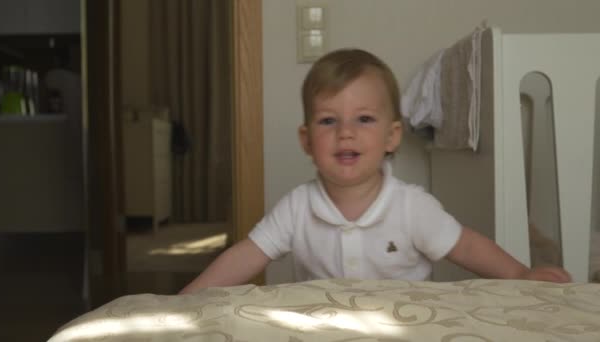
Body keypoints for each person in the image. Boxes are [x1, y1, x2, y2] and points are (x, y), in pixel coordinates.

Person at [179, 48, 570, 294]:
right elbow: (248, 255)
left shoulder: (411, 206)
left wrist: (520, 273)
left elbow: (466, 245)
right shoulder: (297, 207)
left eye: (364, 119)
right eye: (328, 121)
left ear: (391, 136)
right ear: (306, 140)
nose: (346, 132)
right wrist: (189, 298)